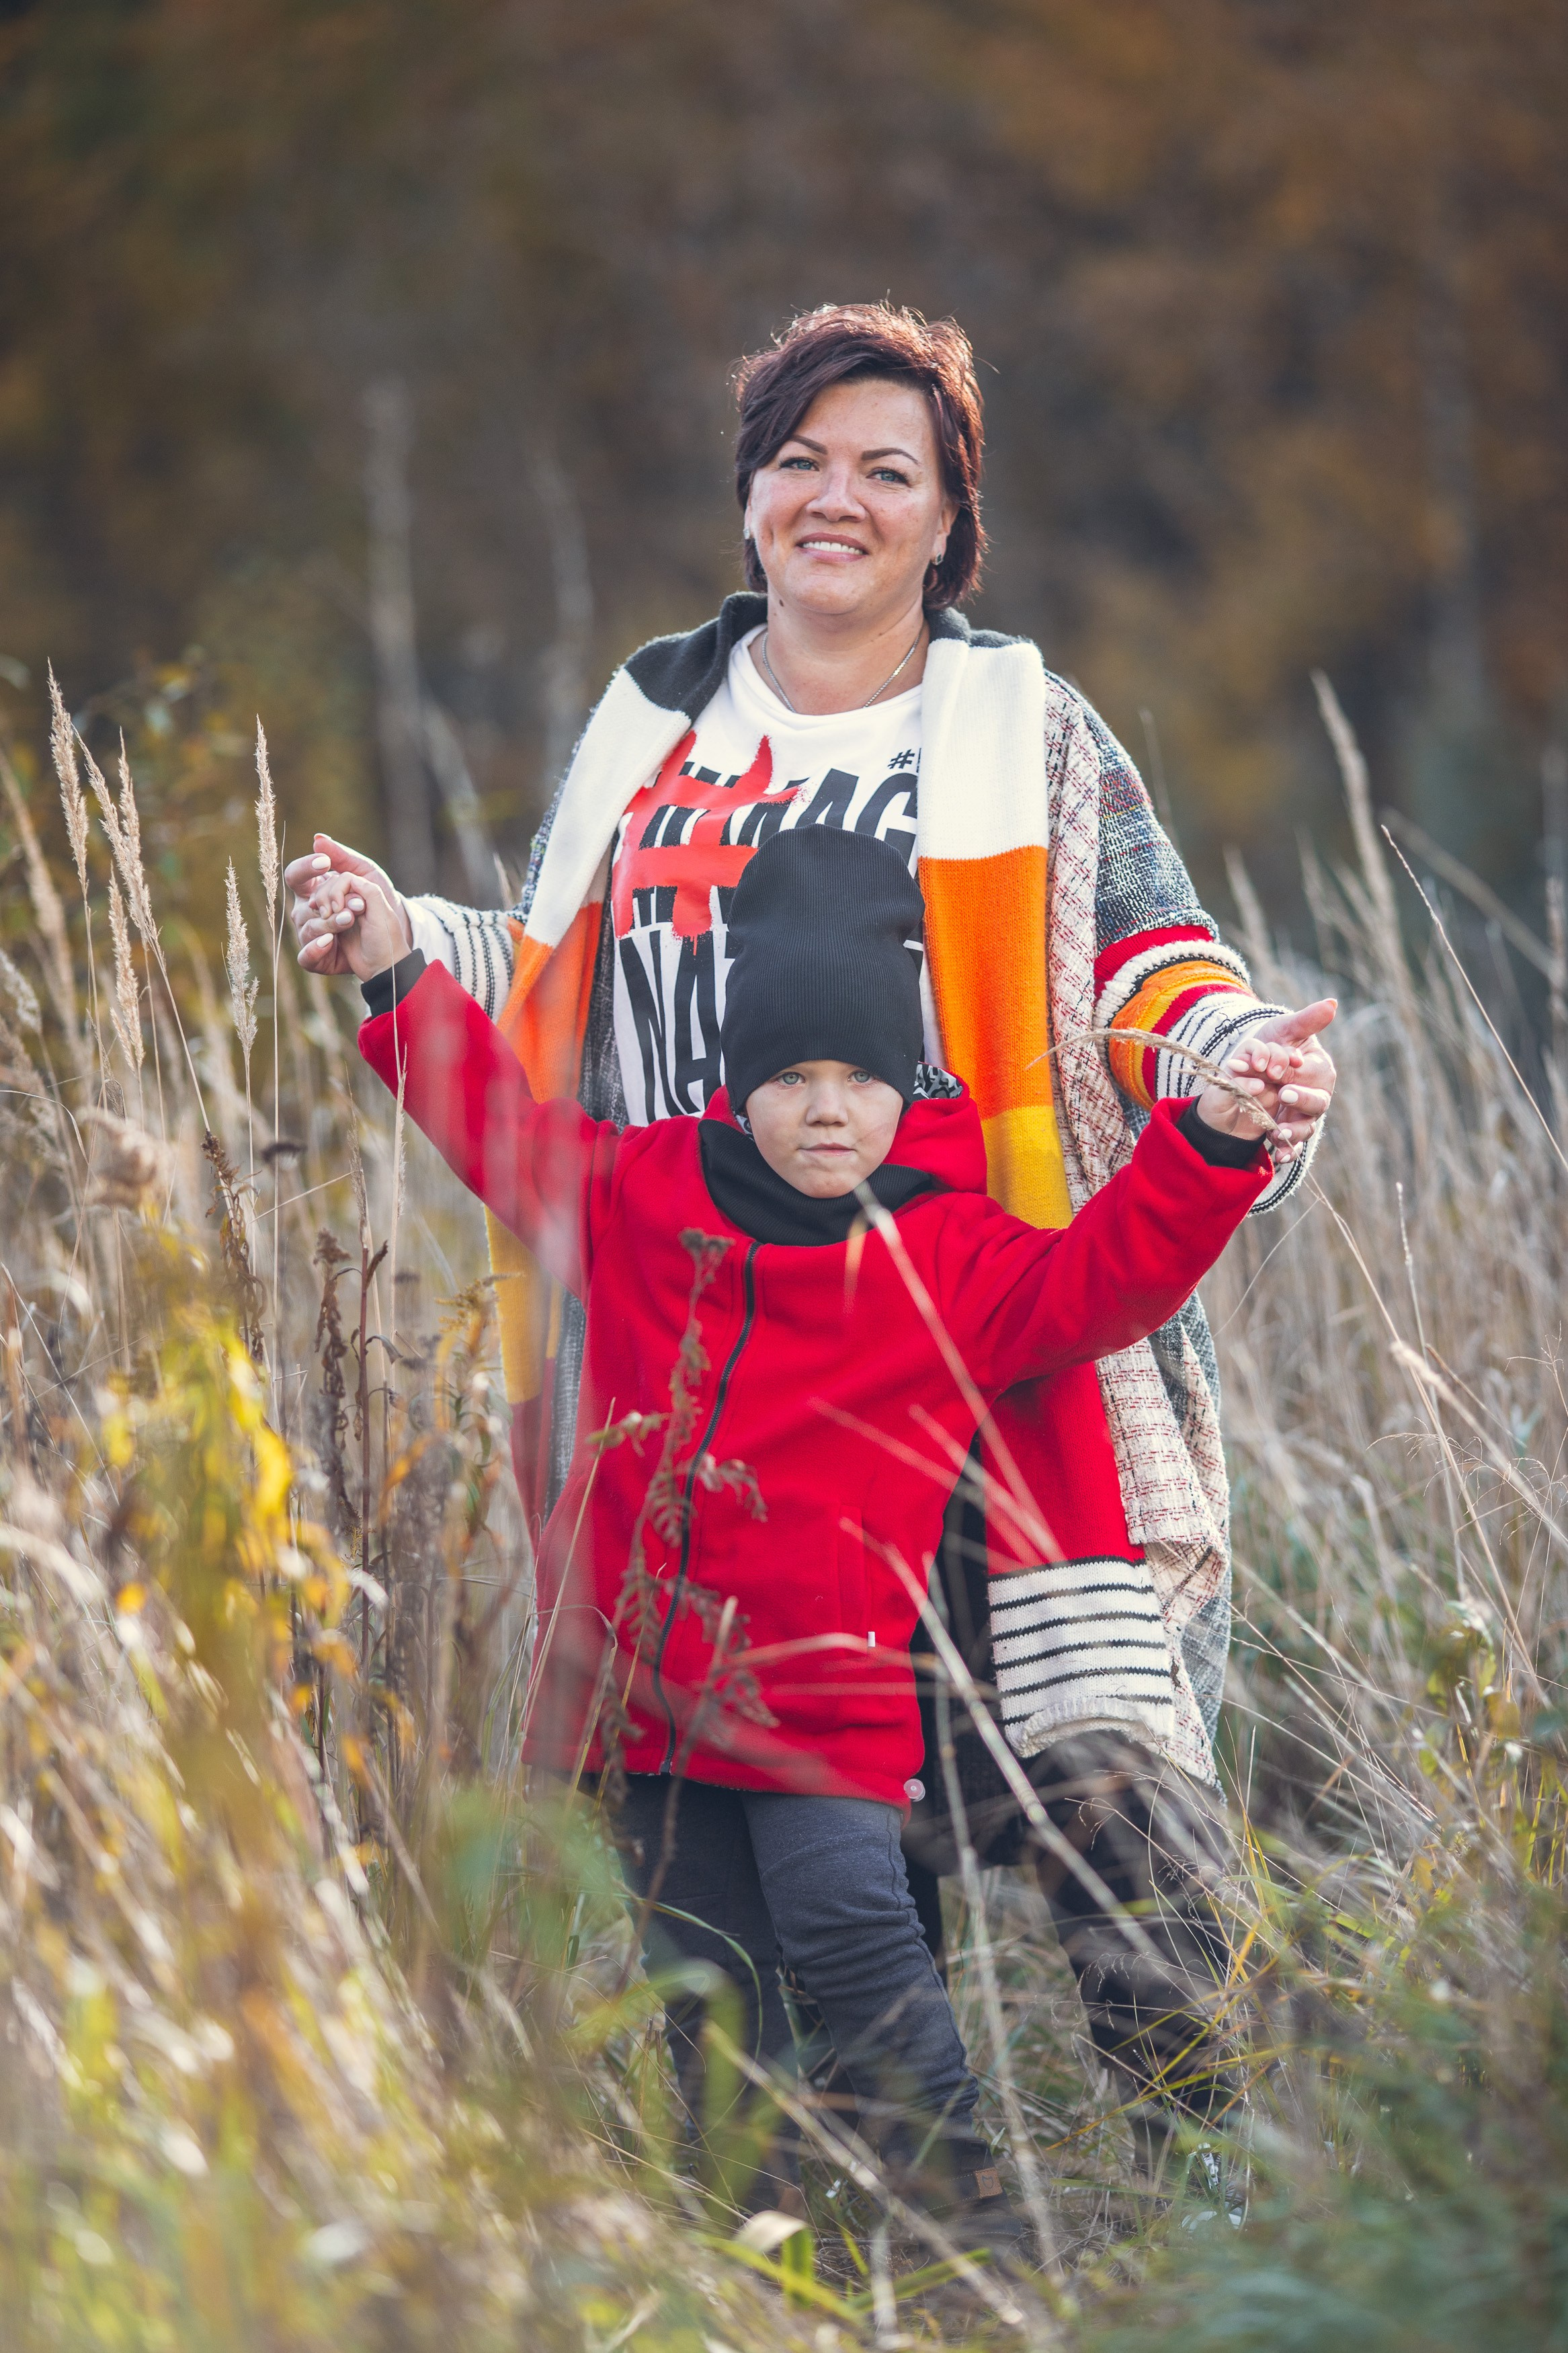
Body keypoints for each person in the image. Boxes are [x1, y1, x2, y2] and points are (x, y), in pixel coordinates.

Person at [287, 301, 1337, 2163]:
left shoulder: (1023, 728)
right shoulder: (654, 723)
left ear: (948, 520)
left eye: (885, 470)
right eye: (798, 460)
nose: (834, 498)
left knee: (1101, 1783)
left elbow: (1141, 962)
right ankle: (849, 2212)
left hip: (978, 1328)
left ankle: (1215, 2196)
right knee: (787, 1815)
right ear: (748, 494)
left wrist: (1227, 1064)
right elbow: (548, 982)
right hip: (713, 1348)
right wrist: (395, 938)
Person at [333, 822, 1292, 2237]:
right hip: (647, 1700)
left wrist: (1212, 1135)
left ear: (907, 1083)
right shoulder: (643, 1191)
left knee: (853, 1933)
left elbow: (1109, 1277)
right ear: (740, 1082)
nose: (826, 1111)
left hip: (827, 1715)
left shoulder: (947, 1249)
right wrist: (393, 972)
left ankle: (971, 2224)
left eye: (858, 1079)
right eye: (789, 1077)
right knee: (705, 1980)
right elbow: (496, 1133)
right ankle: (761, 2246)